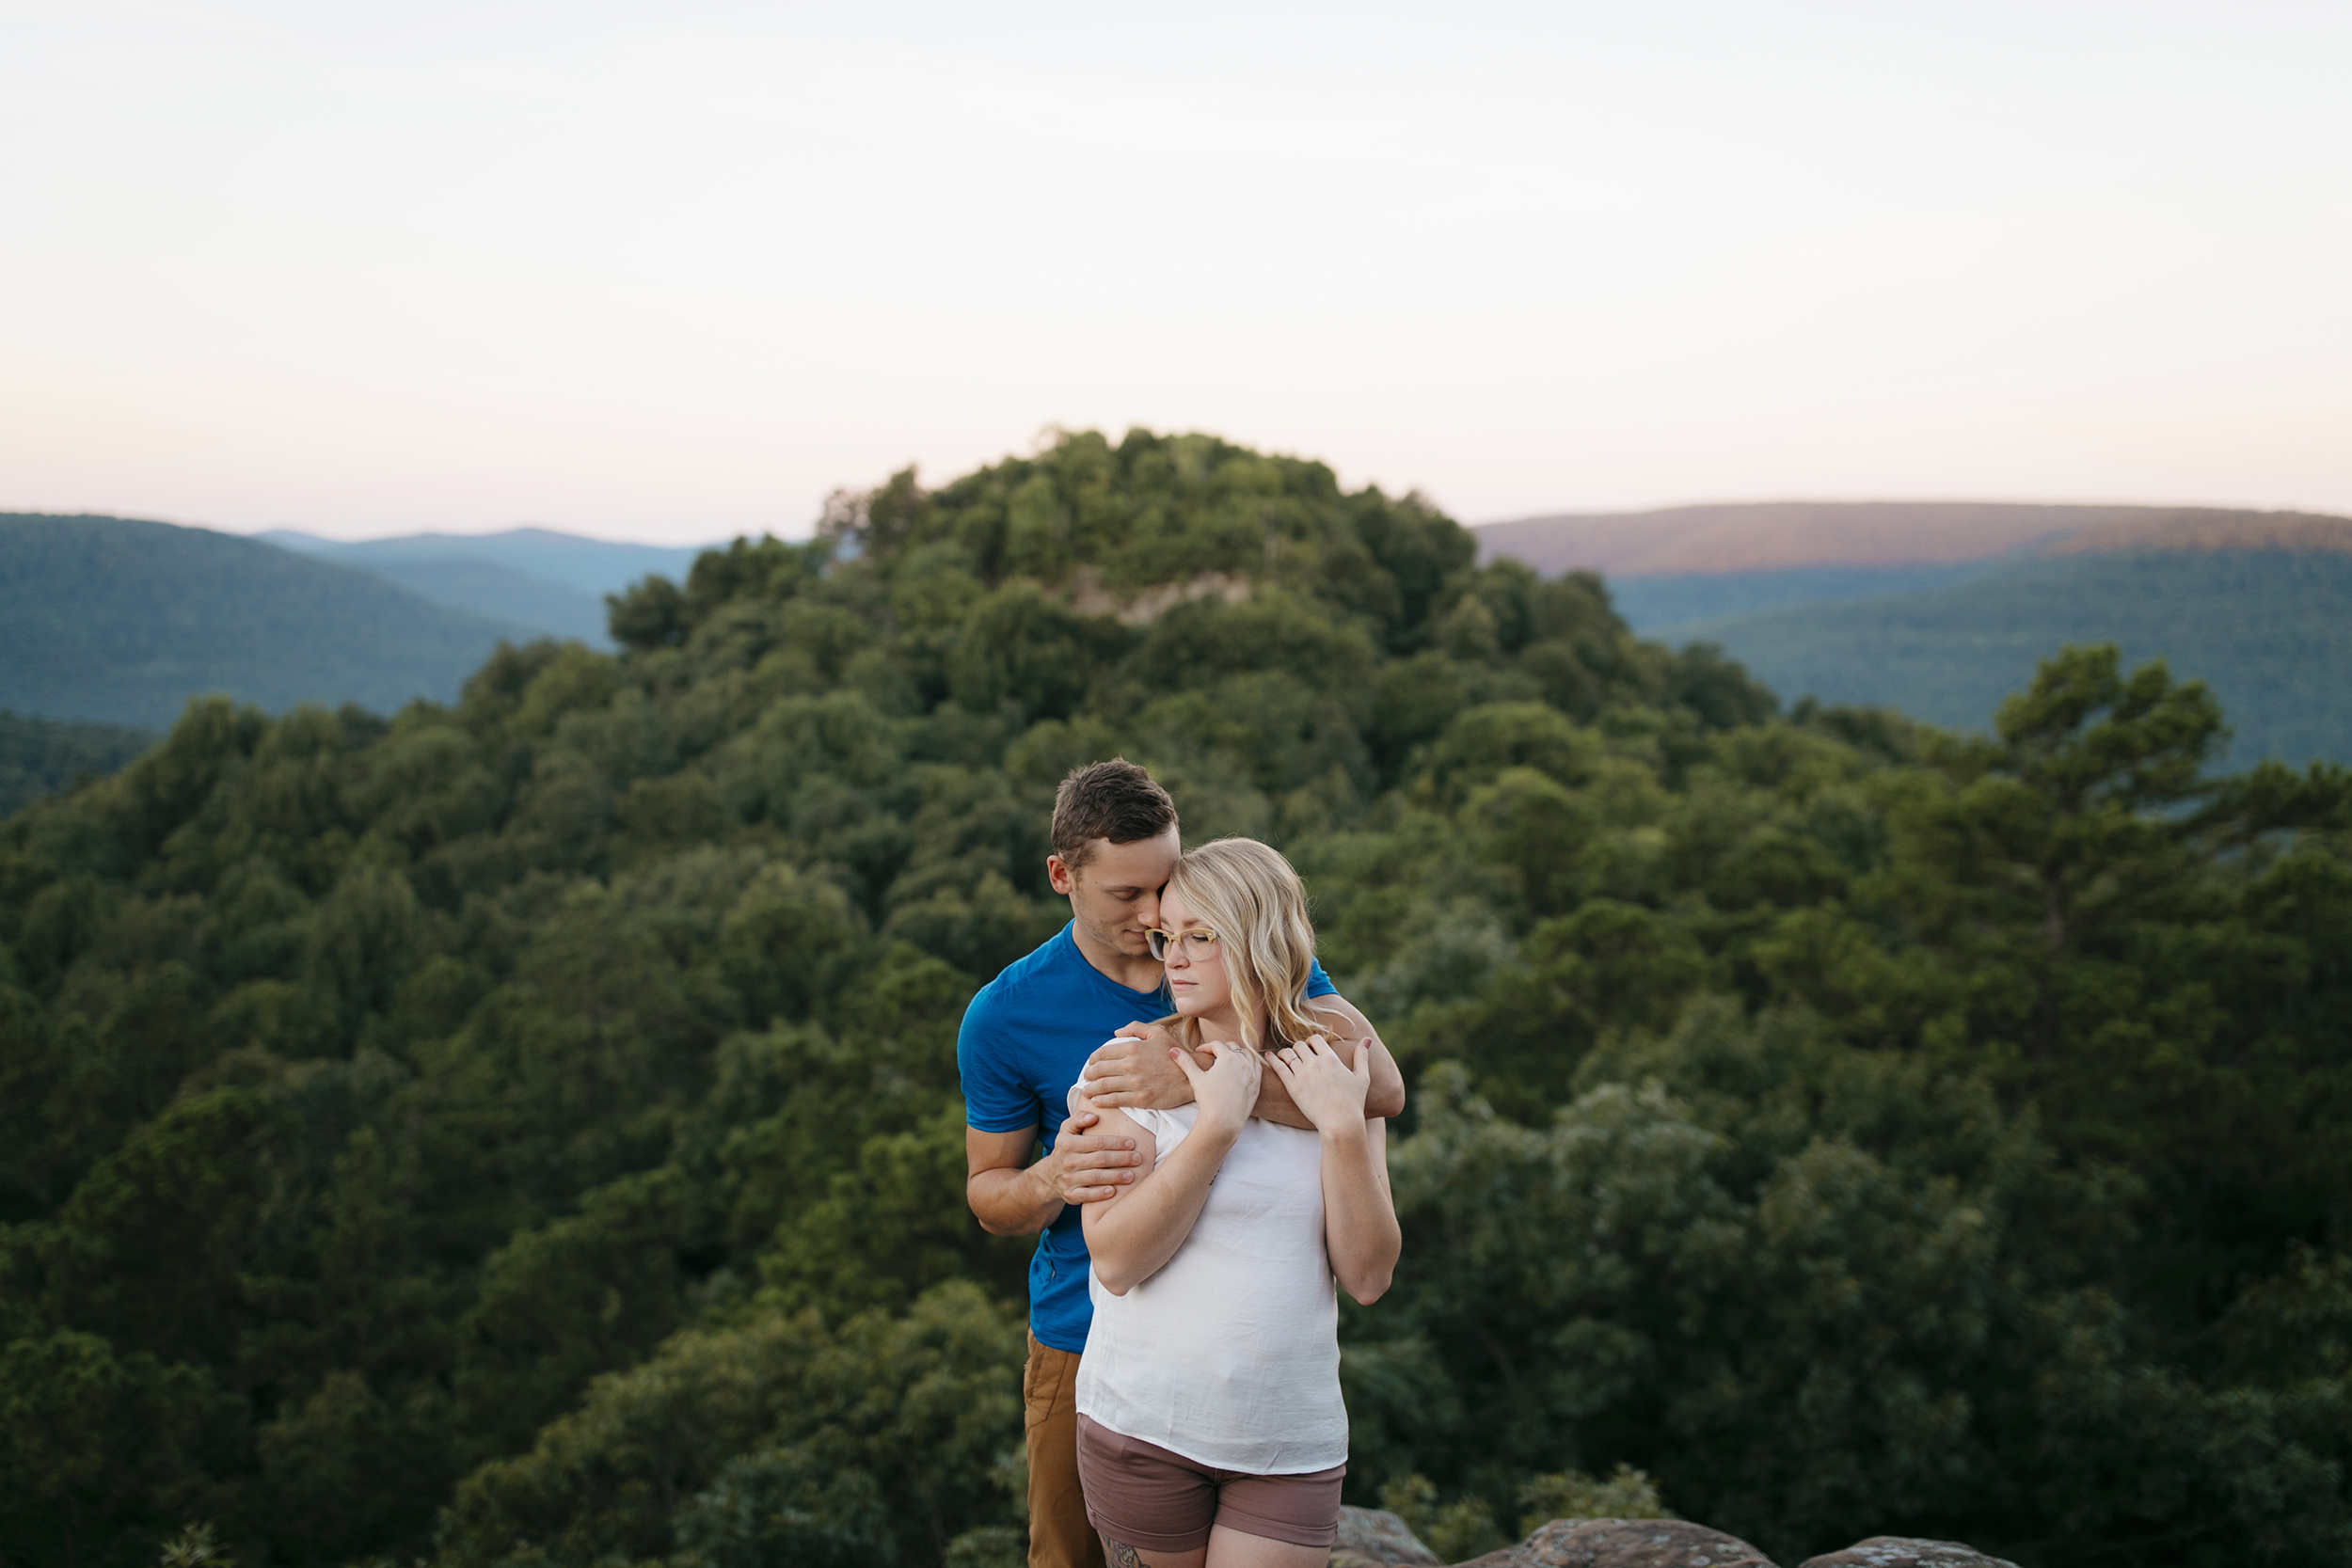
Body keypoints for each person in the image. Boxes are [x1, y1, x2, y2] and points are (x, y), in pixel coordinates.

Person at [960, 760, 1405, 1568]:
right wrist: (1053, 1177)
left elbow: (1376, 1083)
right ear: (1062, 877)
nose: (1155, 920)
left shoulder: (1252, 965)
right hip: (1082, 1332)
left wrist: (1193, 1081)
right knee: (1066, 1556)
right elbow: (989, 1194)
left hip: (1255, 1363)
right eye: (1129, 899)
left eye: (1169, 895)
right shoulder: (1008, 1013)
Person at [1073, 837, 1401, 1568]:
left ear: (1259, 939)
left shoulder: (1339, 1072)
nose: (1174, 958)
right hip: (1142, 1428)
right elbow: (1119, 1260)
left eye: (1201, 935)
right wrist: (1216, 1121)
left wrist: (1343, 1125)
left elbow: (1370, 1276)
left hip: (1287, 1440)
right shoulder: (1129, 1066)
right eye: (1168, 937)